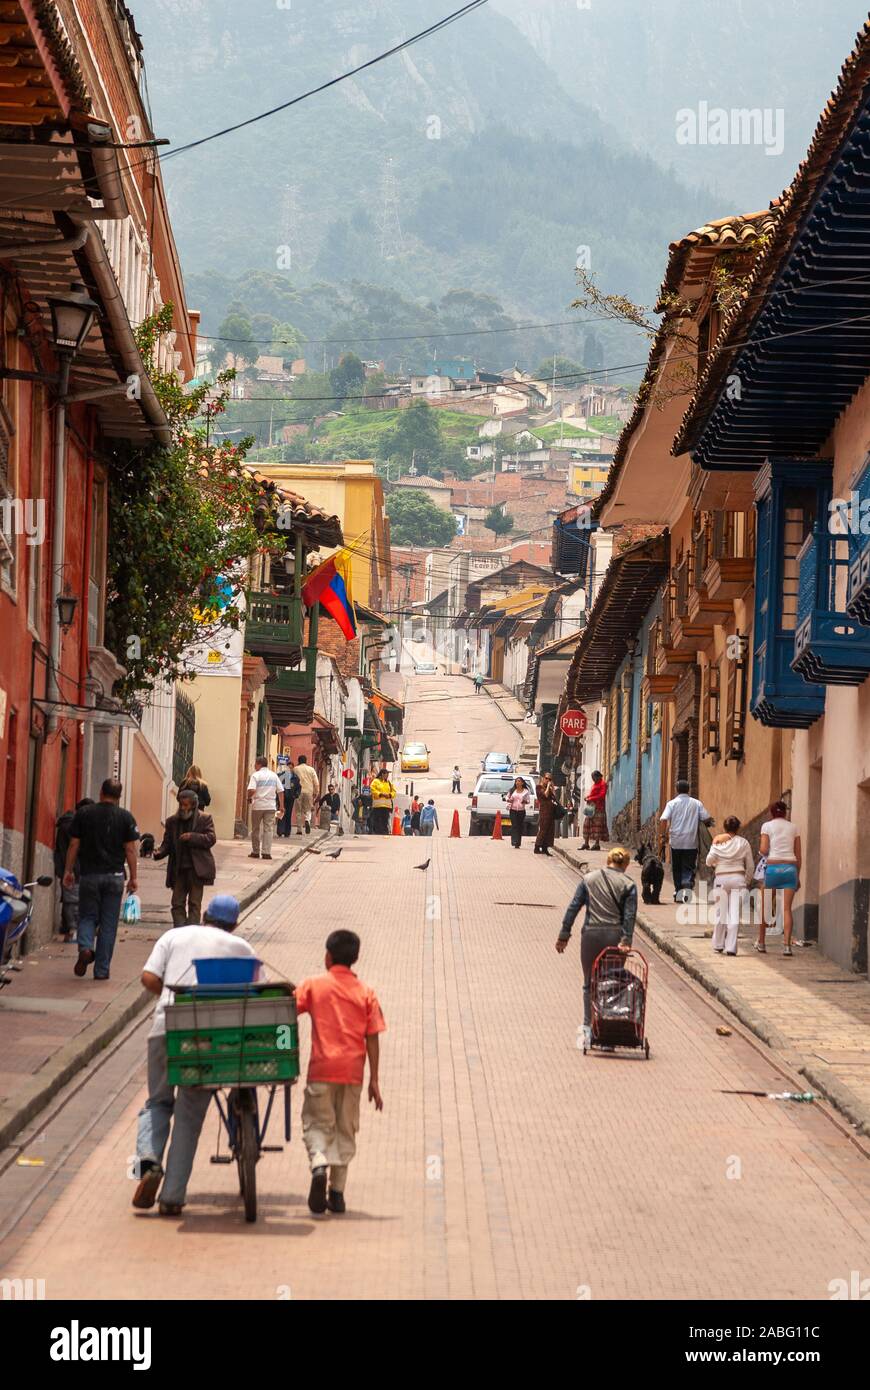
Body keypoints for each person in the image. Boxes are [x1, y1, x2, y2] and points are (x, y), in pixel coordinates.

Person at [132, 895, 259, 1216]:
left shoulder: (174, 936)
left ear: (204, 916)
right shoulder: (244, 949)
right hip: (209, 1040)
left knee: (157, 1103)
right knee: (189, 1116)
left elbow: (147, 977)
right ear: (235, 924)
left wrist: (169, 995)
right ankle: (173, 1196)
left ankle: (148, 1163)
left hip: (166, 1028)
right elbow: (254, 995)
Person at [295, 929, 386, 1215]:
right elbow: (373, 1037)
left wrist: (282, 1046)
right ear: (355, 958)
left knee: (316, 1124)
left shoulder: (312, 985)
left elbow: (286, 1012)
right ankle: (337, 1194)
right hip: (353, 1074)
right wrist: (375, 1080)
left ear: (327, 956)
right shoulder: (366, 993)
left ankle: (319, 1163)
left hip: (321, 1070)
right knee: (346, 1129)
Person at [556, 847, 637, 1050]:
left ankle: (588, 1025)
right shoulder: (628, 884)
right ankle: (608, 1029)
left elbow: (574, 907)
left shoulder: (589, 879)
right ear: (625, 864)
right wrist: (626, 940)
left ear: (607, 860)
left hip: (591, 935)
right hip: (614, 936)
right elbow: (629, 916)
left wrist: (564, 935)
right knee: (610, 982)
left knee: (589, 983)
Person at [63, 780, 139, 981]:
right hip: (114, 877)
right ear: (119, 796)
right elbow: (130, 849)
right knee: (108, 924)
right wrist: (133, 877)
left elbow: (73, 844)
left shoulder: (84, 814)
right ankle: (102, 970)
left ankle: (86, 947)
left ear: (101, 792)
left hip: (89, 875)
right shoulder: (125, 817)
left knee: (87, 916)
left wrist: (68, 870)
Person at [153, 789, 217, 928]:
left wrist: (192, 837)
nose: (183, 808)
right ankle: (180, 929)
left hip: (196, 869)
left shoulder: (204, 819)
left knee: (194, 903)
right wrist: (159, 852)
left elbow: (211, 839)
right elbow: (167, 844)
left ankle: (191, 931)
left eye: (186, 805)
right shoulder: (172, 822)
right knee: (177, 903)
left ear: (193, 805)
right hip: (179, 869)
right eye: (181, 805)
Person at [757, 801, 802, 957]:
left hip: (773, 869)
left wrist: (769, 850)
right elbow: (798, 855)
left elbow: (763, 849)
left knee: (766, 906)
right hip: (790, 869)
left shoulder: (767, 826)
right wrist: (798, 876)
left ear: (771, 813)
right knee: (787, 909)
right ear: (785, 813)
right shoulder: (793, 828)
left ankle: (761, 943)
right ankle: (787, 946)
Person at [705, 816, 755, 957]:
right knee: (734, 913)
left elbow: (708, 861)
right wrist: (747, 880)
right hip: (738, 878)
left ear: (725, 828)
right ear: (738, 828)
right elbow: (750, 865)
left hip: (721, 878)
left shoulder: (718, 842)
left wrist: (716, 863)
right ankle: (731, 947)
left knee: (721, 913)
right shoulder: (743, 843)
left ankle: (718, 944)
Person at [659, 780, 714, 902]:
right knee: (689, 866)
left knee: (677, 867)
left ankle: (678, 891)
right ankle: (687, 884)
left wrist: (663, 835)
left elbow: (663, 819)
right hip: (691, 841)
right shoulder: (696, 803)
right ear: (688, 789)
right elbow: (706, 818)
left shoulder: (671, 804)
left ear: (677, 789)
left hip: (676, 841)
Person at [54, 797, 94, 941]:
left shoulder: (67, 825)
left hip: (68, 867)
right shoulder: (73, 827)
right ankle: (72, 930)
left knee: (70, 900)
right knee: (73, 901)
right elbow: (72, 849)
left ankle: (69, 929)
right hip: (73, 869)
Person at [246, 756, 284, 859]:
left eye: (255, 764)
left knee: (255, 829)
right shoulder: (274, 776)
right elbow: (280, 791)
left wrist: (248, 797)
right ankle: (266, 852)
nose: (254, 766)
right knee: (268, 829)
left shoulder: (256, 775)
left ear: (258, 764)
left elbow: (252, 790)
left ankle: (256, 851)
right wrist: (281, 806)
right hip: (271, 806)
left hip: (258, 805)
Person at [581, 771, 609, 852]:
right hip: (590, 806)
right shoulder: (595, 784)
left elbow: (602, 795)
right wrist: (588, 796)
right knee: (587, 824)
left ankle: (597, 844)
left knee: (597, 826)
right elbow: (593, 793)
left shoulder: (603, 784)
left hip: (599, 807)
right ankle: (586, 843)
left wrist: (591, 798)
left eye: (594, 778)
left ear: (599, 776)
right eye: (592, 778)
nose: (593, 780)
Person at [294, 755, 320, 837]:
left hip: (298, 792)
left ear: (298, 761)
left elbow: (291, 780)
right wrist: (316, 792)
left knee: (298, 810)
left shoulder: (295, 769)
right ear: (306, 761)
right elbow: (316, 782)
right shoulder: (311, 769)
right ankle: (307, 820)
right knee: (308, 809)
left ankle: (299, 829)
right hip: (309, 791)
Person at [534, 771, 558, 856]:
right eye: (546, 778)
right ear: (543, 778)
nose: (548, 780)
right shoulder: (539, 787)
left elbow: (554, 797)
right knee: (543, 829)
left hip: (550, 811)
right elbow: (545, 795)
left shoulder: (549, 788)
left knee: (550, 830)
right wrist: (548, 786)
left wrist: (553, 788)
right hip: (544, 811)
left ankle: (545, 847)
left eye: (550, 779)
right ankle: (537, 847)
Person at [505, 776, 531, 848]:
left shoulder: (526, 791)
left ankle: (518, 843)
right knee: (514, 825)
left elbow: (528, 801)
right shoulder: (512, 790)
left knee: (519, 826)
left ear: (522, 783)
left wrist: (524, 801)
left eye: (519, 781)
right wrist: (509, 800)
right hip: (513, 810)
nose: (517, 782)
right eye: (516, 781)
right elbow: (507, 797)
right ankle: (514, 840)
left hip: (521, 811)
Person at [369, 767, 396, 836]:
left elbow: (394, 792)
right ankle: (377, 832)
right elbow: (372, 789)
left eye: (387, 774)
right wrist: (380, 794)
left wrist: (390, 795)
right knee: (377, 820)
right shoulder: (376, 781)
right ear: (381, 774)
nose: (387, 776)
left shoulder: (388, 783)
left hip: (386, 806)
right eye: (386, 774)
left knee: (385, 820)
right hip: (377, 805)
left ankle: (384, 832)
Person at [276, 761, 300, 837]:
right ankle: (280, 830)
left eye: (291, 767)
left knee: (288, 814)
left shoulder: (295, 778)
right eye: (288, 767)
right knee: (281, 813)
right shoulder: (281, 776)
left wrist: (295, 795)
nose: (289, 769)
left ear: (293, 768)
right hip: (282, 797)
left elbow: (298, 788)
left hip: (290, 798)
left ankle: (287, 831)